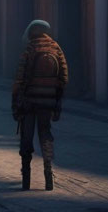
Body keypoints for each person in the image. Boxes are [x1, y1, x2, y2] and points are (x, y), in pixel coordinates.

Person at [12, 19, 68, 191]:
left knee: (26, 136)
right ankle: (48, 172)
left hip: (29, 101)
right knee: (45, 134)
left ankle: (26, 177)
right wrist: (56, 99)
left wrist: (16, 101)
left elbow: (20, 79)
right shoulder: (55, 48)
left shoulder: (30, 48)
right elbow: (64, 77)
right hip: (48, 101)